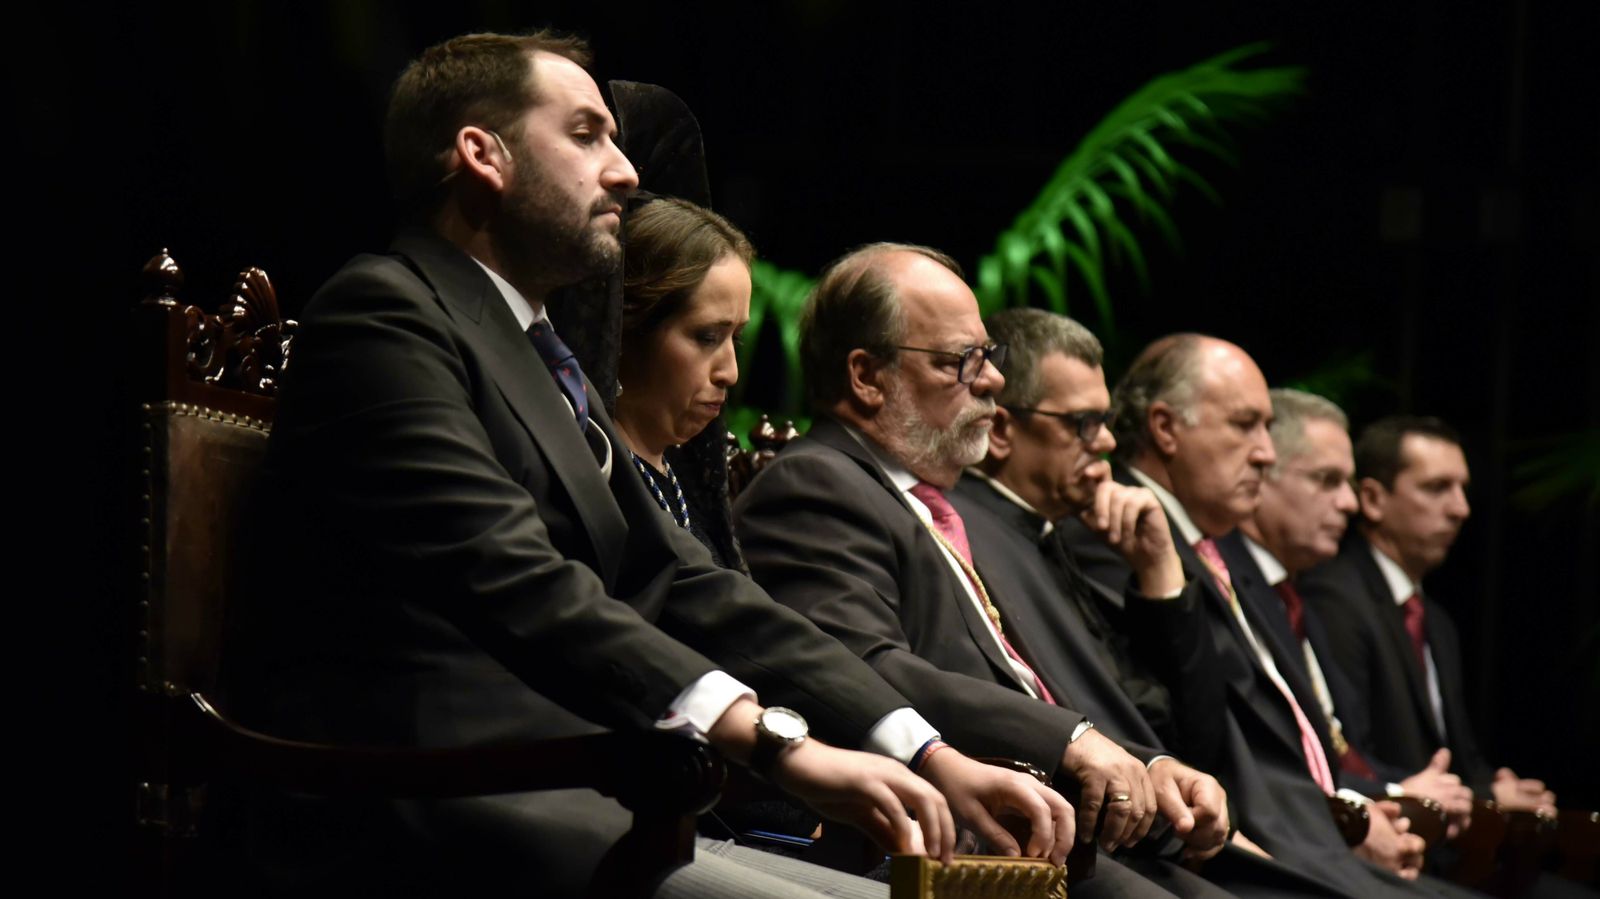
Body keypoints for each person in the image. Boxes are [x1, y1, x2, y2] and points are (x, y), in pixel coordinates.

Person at [223, 31, 1070, 898]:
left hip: (587, 789)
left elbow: (684, 580)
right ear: (483, 154)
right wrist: (781, 745)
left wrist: (920, 744)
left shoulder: (532, 347)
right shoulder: (386, 314)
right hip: (434, 802)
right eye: (587, 134)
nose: (625, 170)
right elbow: (514, 575)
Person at [737, 244, 1253, 899]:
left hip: (1055, 830)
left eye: (990, 356)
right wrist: (1070, 740)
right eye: (962, 361)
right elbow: (862, 665)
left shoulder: (940, 507)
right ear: (867, 376)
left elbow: (1034, 684)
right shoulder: (817, 484)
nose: (993, 382)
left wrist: (1148, 764)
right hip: (953, 840)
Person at [1058, 334, 1451, 895]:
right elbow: (1191, 737)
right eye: (1245, 425)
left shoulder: (1222, 551)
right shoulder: (1112, 534)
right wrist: (1164, 578)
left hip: (1311, 838)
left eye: (1267, 428)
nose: (1266, 453)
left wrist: (1356, 811)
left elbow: (1295, 745)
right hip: (1241, 851)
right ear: (1166, 429)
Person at [1218, 391, 1473, 837]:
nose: (1348, 503)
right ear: (1262, 479)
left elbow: (1338, 747)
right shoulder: (1255, 586)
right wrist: (1393, 793)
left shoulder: (1291, 597)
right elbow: (1263, 759)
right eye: (1327, 480)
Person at [1297, 416, 1556, 814]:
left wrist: (1498, 787)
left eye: (1463, 490)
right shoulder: (1334, 597)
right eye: (1437, 488)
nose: (1461, 509)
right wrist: (1483, 797)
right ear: (1372, 499)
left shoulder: (1435, 619)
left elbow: (1458, 756)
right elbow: (1351, 758)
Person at [613, 196, 751, 568]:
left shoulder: (687, 481)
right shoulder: (599, 482)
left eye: (735, 338)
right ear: (629, 329)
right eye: (707, 337)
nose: (731, 373)